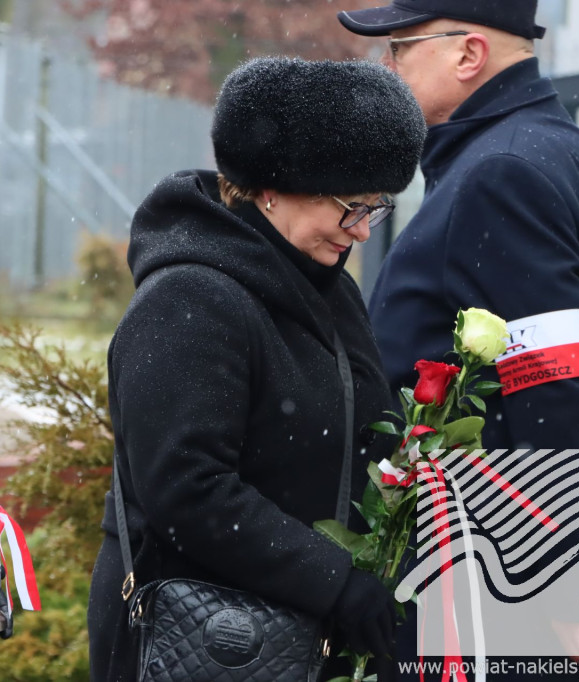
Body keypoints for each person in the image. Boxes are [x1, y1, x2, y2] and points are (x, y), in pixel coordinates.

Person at [87, 56, 427, 682]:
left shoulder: (324, 285)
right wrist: (334, 583)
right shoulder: (189, 298)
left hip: (292, 633)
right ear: (271, 187)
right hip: (205, 639)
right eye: (350, 206)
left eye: (375, 209)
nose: (360, 231)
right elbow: (187, 488)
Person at [338, 1, 579, 679]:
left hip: (495, 588)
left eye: (402, 48)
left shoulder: (501, 172)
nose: (389, 66)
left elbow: (555, 385)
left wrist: (568, 588)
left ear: (469, 54)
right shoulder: (554, 147)